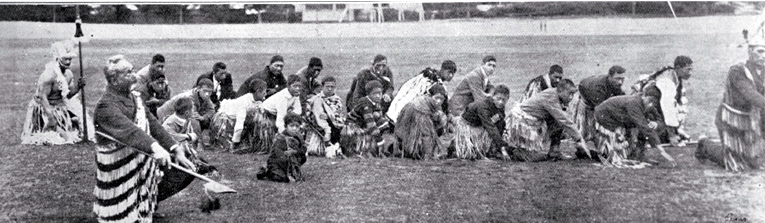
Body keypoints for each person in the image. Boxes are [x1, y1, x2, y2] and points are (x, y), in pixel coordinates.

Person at [93, 55, 201, 222]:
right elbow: (131, 131)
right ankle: (129, 211)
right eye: (127, 73)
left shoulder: (135, 97)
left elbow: (153, 124)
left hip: (142, 159)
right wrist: (156, 148)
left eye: (133, 70)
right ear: (114, 80)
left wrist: (175, 148)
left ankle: (146, 205)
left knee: (187, 160)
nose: (134, 75)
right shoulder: (105, 106)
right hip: (120, 169)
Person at [696, 32, 765, 171]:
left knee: (755, 163)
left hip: (752, 119)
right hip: (730, 121)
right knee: (737, 164)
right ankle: (704, 146)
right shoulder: (737, 71)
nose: (763, 55)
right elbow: (751, 95)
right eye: (760, 51)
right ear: (750, 51)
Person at [21, 39, 94, 145]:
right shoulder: (48, 76)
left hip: (59, 107)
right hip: (45, 109)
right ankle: (52, 128)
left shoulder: (68, 74)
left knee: (78, 124)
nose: (68, 62)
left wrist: (78, 87)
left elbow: (67, 96)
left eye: (70, 59)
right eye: (65, 59)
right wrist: (50, 117)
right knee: (66, 138)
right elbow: (42, 97)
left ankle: (63, 125)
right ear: (57, 58)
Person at [504, 79, 590, 161]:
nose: (571, 97)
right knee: (534, 157)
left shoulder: (556, 95)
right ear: (560, 91)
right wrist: (579, 139)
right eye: (569, 94)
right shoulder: (552, 97)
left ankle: (554, 151)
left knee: (556, 123)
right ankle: (512, 151)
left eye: (573, 94)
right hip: (522, 121)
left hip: (532, 120)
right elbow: (564, 120)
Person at [593, 93, 676, 168]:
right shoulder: (633, 104)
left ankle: (637, 155)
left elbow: (660, 120)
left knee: (640, 129)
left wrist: (656, 123)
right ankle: (614, 154)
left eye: (653, 103)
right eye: (650, 101)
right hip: (605, 117)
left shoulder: (649, 105)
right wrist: (661, 150)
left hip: (619, 120)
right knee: (617, 150)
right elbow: (643, 126)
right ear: (644, 97)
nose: (651, 104)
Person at [632, 56, 694, 147]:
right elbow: (668, 108)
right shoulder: (667, 81)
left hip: (652, 107)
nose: (690, 73)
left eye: (691, 70)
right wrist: (672, 135)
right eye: (688, 69)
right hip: (645, 108)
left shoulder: (674, 76)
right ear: (678, 68)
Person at [210, 79, 272, 153]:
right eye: (264, 92)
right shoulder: (243, 102)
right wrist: (234, 142)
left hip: (239, 118)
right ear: (258, 92)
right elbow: (239, 124)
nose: (265, 94)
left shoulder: (258, 100)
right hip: (226, 118)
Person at [386, 60, 457, 124]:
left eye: (453, 74)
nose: (450, 75)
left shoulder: (430, 75)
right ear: (442, 69)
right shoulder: (432, 81)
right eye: (449, 72)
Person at [453, 85, 510, 160]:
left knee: (500, 122)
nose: (500, 102)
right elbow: (490, 127)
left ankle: (494, 148)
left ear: (507, 99)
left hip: (481, 123)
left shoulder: (500, 106)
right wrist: (502, 147)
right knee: (470, 155)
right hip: (468, 126)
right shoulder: (483, 106)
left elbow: (501, 121)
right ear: (493, 96)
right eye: (498, 98)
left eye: (504, 100)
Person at [573, 65, 627, 145]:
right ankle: (583, 148)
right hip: (585, 99)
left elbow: (621, 99)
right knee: (584, 130)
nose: (620, 82)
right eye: (618, 79)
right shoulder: (598, 87)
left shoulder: (616, 84)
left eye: (622, 79)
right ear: (610, 77)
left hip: (598, 98)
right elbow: (601, 110)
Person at [156, 79, 216, 149]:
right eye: (205, 91)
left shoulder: (204, 96)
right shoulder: (189, 97)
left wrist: (203, 117)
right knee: (193, 120)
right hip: (162, 118)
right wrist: (199, 141)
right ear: (198, 88)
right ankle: (197, 143)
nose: (207, 94)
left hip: (176, 117)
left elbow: (212, 110)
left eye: (210, 92)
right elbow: (192, 118)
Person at [395, 84, 449, 160]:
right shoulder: (423, 109)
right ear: (429, 96)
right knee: (427, 133)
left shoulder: (428, 103)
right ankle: (421, 152)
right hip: (416, 118)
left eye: (441, 99)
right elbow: (426, 134)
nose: (438, 102)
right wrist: (428, 155)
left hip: (408, 129)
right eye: (436, 98)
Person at [341, 80, 390, 157]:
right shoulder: (365, 105)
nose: (378, 96)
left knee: (384, 122)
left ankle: (374, 146)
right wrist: (380, 141)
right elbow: (371, 125)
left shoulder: (375, 101)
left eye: (379, 93)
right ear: (368, 94)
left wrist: (377, 114)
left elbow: (379, 115)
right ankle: (363, 149)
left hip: (362, 123)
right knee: (372, 130)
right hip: (352, 127)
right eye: (374, 93)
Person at [257, 113, 307, 183]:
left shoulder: (299, 136)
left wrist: (295, 151)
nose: (294, 128)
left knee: (303, 157)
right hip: (277, 162)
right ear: (286, 126)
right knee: (282, 178)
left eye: (297, 126)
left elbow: (304, 149)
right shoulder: (280, 138)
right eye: (291, 126)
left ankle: (292, 171)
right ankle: (266, 171)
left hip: (289, 160)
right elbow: (280, 157)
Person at [305, 76, 347, 156]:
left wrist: (330, 117)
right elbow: (319, 119)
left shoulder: (337, 100)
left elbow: (340, 116)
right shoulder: (317, 100)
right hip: (322, 128)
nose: (330, 89)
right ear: (322, 87)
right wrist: (328, 132)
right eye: (327, 87)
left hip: (337, 127)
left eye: (332, 87)